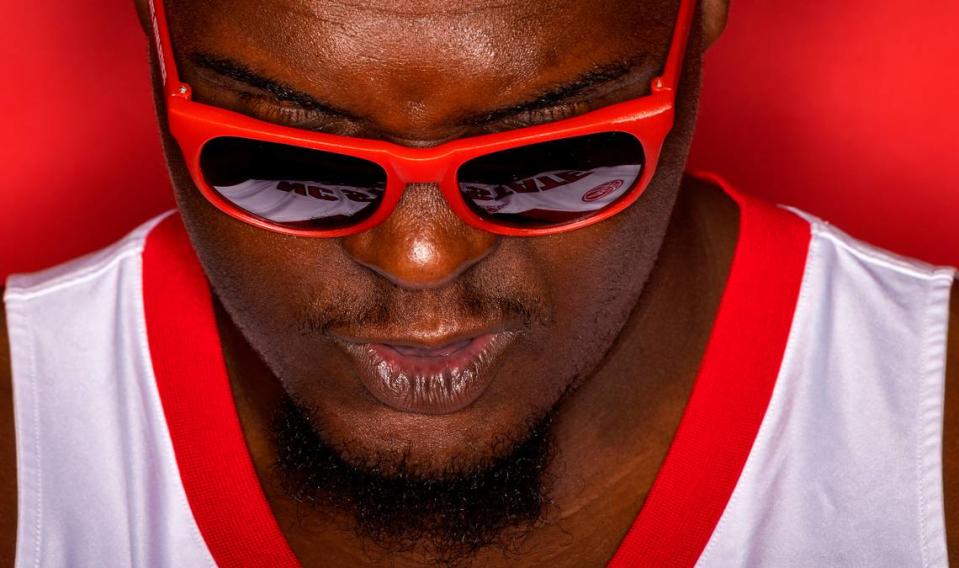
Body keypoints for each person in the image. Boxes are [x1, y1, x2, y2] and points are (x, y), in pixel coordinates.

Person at [0, 0, 956, 565]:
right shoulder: (28, 429)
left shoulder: (927, 431)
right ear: (150, 28)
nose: (421, 260)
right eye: (288, 164)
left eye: (559, 161)